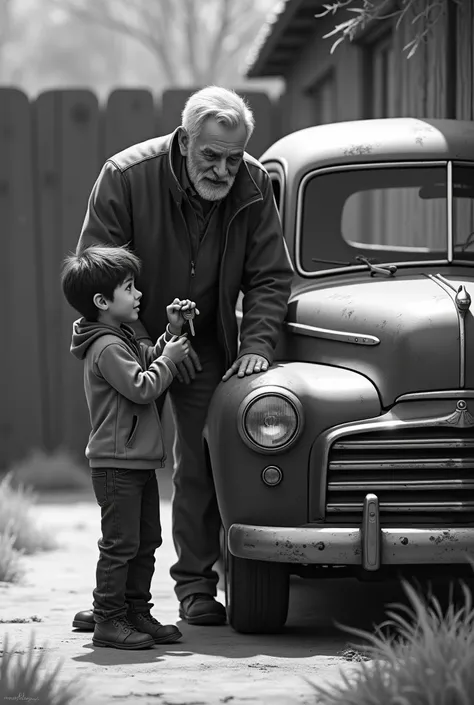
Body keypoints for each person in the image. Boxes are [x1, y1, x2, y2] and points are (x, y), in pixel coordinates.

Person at [72, 85, 294, 628]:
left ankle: (196, 587)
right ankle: (121, 602)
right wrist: (158, 347)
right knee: (129, 475)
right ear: (184, 140)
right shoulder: (125, 176)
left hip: (212, 346)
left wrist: (258, 348)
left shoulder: (255, 183)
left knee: (202, 463)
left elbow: (268, 277)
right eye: (210, 157)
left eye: (233, 158)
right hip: (132, 345)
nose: (222, 170)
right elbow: (96, 273)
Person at [62, 243, 198, 649]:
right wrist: (170, 360)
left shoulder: (118, 336)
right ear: (102, 301)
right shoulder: (105, 347)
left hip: (134, 461)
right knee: (120, 545)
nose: (139, 295)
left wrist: (171, 334)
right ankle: (108, 618)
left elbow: (147, 360)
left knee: (146, 541)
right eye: (129, 288)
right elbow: (143, 387)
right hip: (116, 463)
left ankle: (136, 611)